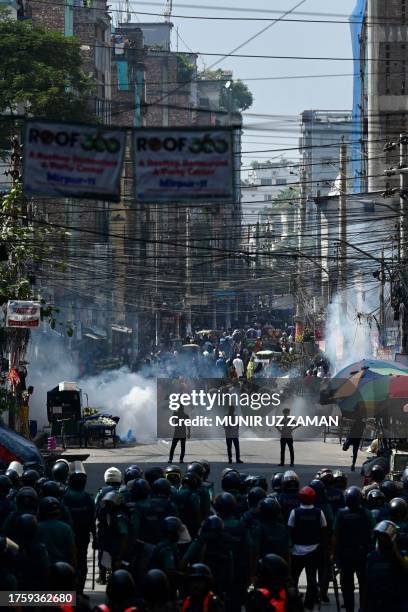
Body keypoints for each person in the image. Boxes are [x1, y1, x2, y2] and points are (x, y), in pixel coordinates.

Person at [333, 485, 374, 612]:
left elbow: (335, 535)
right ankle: (363, 607)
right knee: (364, 583)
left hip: (345, 555)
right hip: (363, 554)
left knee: (346, 585)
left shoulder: (341, 514)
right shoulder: (367, 514)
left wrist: (334, 554)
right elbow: (373, 532)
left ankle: (349, 608)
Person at [288, 486, 327, 610]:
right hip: (313, 551)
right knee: (312, 580)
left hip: (296, 551)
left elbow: (289, 529)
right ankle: (309, 604)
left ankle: (294, 602)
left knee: (293, 578)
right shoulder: (319, 512)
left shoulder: (295, 512)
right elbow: (324, 529)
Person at [365, 520, 408, 612]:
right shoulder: (372, 556)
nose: (381, 540)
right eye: (380, 537)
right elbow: (368, 582)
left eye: (384, 538)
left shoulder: (400, 556)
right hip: (376, 600)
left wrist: (396, 551)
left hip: (395, 601)